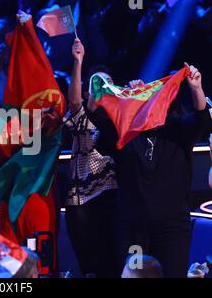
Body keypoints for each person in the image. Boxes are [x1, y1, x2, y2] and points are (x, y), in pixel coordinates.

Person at [87, 63, 211, 278]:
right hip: (133, 227)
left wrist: (196, 88)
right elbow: (95, 114)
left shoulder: (179, 130)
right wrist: (120, 93)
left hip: (172, 228)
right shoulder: (124, 132)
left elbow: (202, 120)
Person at [61, 38, 118, 278]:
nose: (104, 87)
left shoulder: (121, 118)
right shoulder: (83, 118)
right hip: (84, 202)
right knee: (91, 266)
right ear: (87, 91)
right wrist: (78, 61)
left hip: (113, 198)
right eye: (98, 83)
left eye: (109, 83)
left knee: (113, 262)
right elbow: (73, 101)